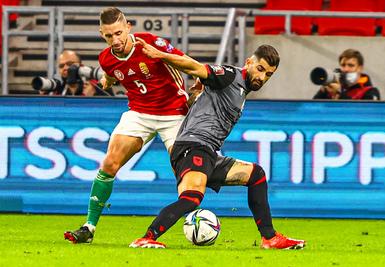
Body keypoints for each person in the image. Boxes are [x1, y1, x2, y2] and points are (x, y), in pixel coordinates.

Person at [129, 38, 306, 250]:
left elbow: (204, 99)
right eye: (260, 69)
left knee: (255, 174)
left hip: (208, 152)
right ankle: (146, 238)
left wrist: (196, 95)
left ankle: (270, 238)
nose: (262, 77)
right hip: (193, 146)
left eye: (268, 74)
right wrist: (161, 56)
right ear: (249, 62)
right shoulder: (230, 75)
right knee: (192, 198)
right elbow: (195, 67)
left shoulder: (241, 90)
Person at [63, 7, 189, 243]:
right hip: (140, 112)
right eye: (109, 36)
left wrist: (203, 80)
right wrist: (107, 80)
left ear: (128, 27)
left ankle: (193, 222)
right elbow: (111, 75)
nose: (116, 40)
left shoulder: (152, 42)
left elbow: (183, 61)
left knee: (184, 171)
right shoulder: (106, 58)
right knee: (110, 163)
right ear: (102, 34)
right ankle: (89, 227)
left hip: (174, 112)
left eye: (119, 33)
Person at [313, 49, 380, 100]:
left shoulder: (371, 92)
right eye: (343, 65)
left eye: (350, 65)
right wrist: (323, 91)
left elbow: (364, 115)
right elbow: (311, 110)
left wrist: (340, 94)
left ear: (360, 68)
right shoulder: (333, 88)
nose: (346, 69)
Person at [37, 50, 102, 96]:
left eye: (70, 64)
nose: (65, 68)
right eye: (61, 66)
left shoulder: (97, 87)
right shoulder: (56, 90)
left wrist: (93, 99)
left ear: (81, 65)